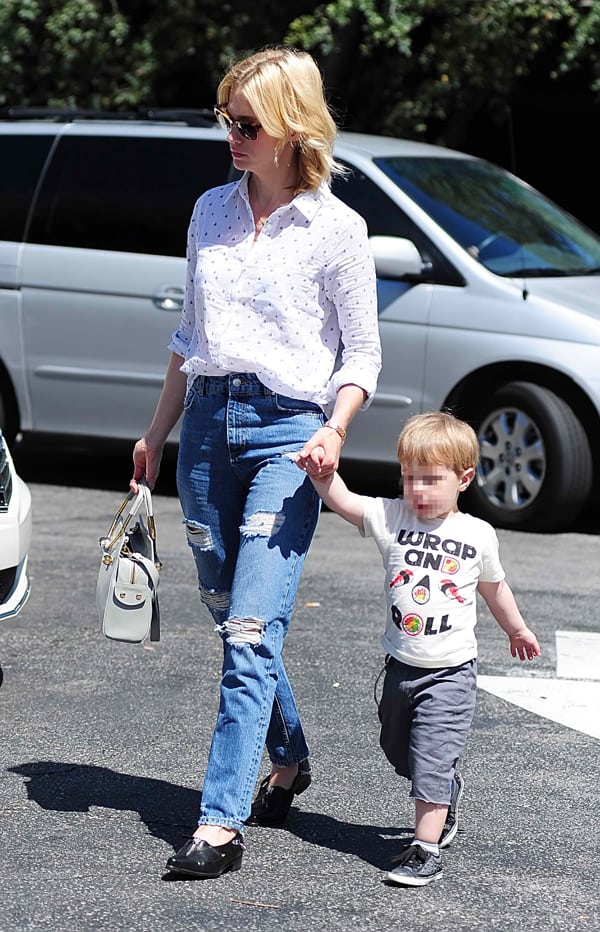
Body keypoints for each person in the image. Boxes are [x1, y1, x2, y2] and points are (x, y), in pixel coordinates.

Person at [130, 46, 381, 878]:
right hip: (205, 428)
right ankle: (289, 756)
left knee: (248, 631)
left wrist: (334, 430)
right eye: (224, 120)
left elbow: (361, 357)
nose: (231, 137)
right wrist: (156, 432)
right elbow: (190, 338)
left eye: (247, 124)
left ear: (293, 126)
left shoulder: (338, 230)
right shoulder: (210, 211)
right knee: (222, 604)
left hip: (290, 438)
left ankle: (217, 824)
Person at [296, 410, 540, 887]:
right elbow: (345, 502)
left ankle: (425, 848)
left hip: (451, 673)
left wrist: (517, 630)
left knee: (430, 757)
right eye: (410, 478)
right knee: (397, 748)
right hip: (400, 668)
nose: (419, 490)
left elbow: (496, 589)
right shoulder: (392, 516)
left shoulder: (476, 536)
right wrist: (324, 476)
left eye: (432, 480)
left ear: (464, 478)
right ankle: (444, 788)